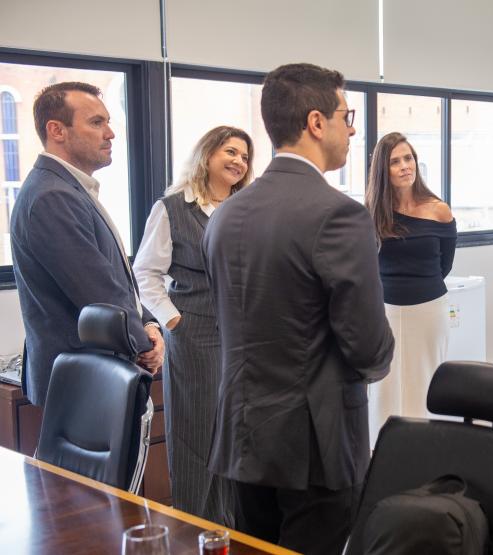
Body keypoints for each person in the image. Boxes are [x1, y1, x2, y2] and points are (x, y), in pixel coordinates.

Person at [202, 63, 394, 554]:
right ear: (315, 122)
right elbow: (368, 345)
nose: (352, 129)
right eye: (345, 115)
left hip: (242, 439)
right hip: (316, 447)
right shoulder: (339, 214)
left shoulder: (225, 214)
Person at [11, 82, 164, 409]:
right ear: (57, 130)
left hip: (95, 375)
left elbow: (121, 282)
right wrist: (145, 344)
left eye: (108, 121)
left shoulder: (70, 190)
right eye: (96, 122)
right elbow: (98, 292)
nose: (110, 133)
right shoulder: (52, 196)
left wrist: (149, 323)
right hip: (82, 383)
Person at [133, 126, 254, 524]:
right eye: (231, 151)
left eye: (245, 156)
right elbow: (145, 273)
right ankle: (192, 532)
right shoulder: (172, 209)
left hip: (241, 337)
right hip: (194, 333)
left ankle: (230, 533)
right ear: (207, 154)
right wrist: (173, 320)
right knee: (197, 439)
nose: (239, 161)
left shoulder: (245, 209)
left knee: (235, 438)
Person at [364, 132, 456, 445]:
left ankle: (423, 458)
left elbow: (445, 265)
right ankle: (382, 457)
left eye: (409, 158)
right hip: (384, 311)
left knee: (425, 383)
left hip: (428, 310)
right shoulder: (371, 213)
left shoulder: (438, 209)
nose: (405, 166)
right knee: (383, 388)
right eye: (395, 161)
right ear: (383, 170)